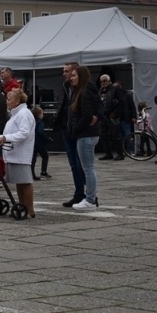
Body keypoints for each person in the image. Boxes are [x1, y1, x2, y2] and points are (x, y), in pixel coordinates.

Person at [61, 62, 102, 209]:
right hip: (81, 133)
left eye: (72, 75)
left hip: (85, 134)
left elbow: (86, 115)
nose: (70, 77)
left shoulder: (85, 92)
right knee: (83, 167)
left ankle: (90, 199)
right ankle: (86, 197)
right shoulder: (76, 90)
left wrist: (76, 129)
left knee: (87, 168)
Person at [0, 86, 38, 218]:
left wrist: (5, 138)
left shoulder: (24, 114)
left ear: (17, 101)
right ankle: (21, 206)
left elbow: (24, 133)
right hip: (13, 153)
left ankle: (30, 209)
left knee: (25, 181)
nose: (7, 101)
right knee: (20, 181)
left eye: (9, 99)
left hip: (21, 154)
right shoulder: (16, 114)